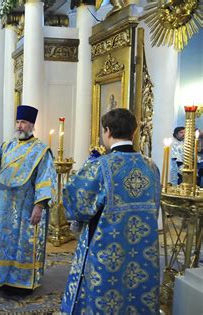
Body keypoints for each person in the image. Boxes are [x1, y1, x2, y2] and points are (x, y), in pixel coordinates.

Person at [60, 108, 161, 314]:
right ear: (133, 132)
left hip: (107, 247)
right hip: (143, 247)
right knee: (136, 291)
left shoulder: (100, 166)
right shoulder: (151, 166)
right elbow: (155, 206)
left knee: (106, 293)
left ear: (107, 131)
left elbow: (76, 203)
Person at [0, 105, 57, 293]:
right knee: (3, 242)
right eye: (18, 122)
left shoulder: (41, 150)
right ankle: (1, 279)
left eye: (23, 122)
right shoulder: (8, 145)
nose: (19, 126)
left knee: (21, 244)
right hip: (3, 206)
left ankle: (22, 283)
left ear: (32, 125)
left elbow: (46, 178)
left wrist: (39, 206)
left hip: (25, 207)